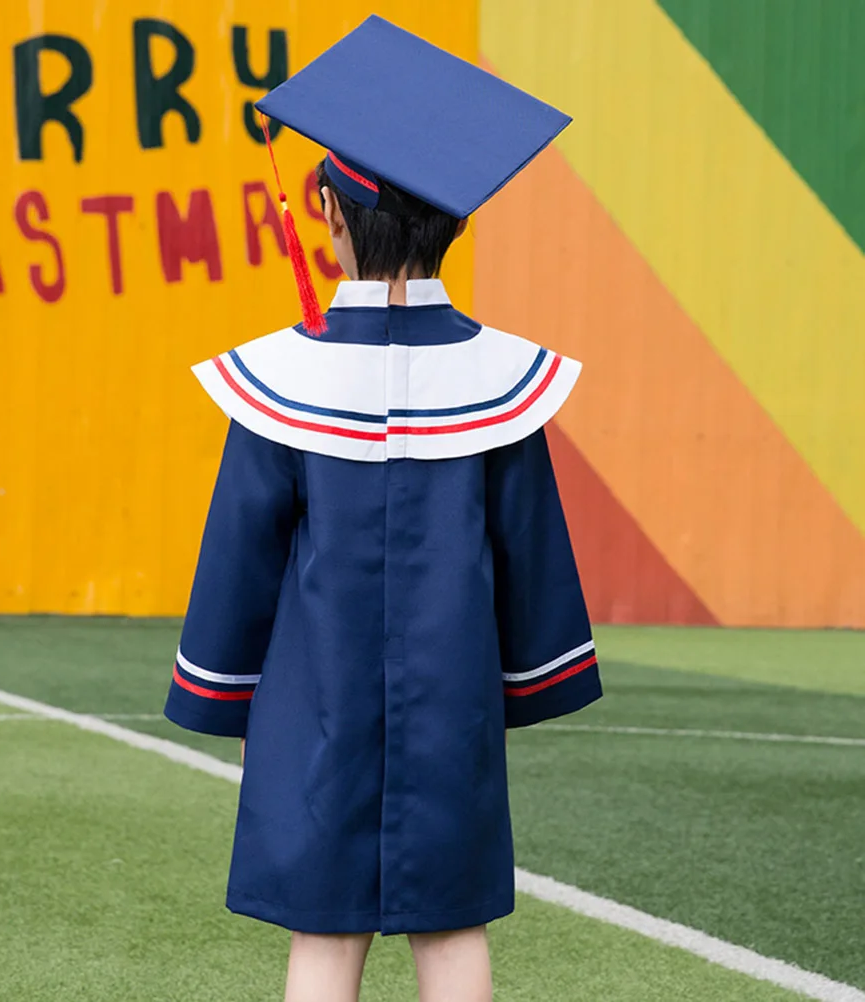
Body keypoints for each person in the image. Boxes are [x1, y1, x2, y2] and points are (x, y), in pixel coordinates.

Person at [164, 15, 601, 1002]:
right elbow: (528, 552)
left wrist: (219, 690)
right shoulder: (502, 385)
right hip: (453, 701)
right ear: (454, 220)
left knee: (325, 932)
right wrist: (530, 680)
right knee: (453, 927)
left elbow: (243, 554)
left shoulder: (281, 384)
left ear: (328, 215)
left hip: (311, 701)